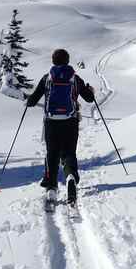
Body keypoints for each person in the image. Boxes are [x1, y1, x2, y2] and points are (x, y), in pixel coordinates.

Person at [26, 48, 95, 205]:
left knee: (52, 153)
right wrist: (90, 91)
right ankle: (71, 177)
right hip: (70, 120)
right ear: (67, 61)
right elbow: (89, 99)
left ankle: (51, 188)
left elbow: (33, 99)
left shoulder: (47, 78)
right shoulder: (75, 79)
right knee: (69, 152)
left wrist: (28, 101)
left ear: (53, 61)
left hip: (51, 122)